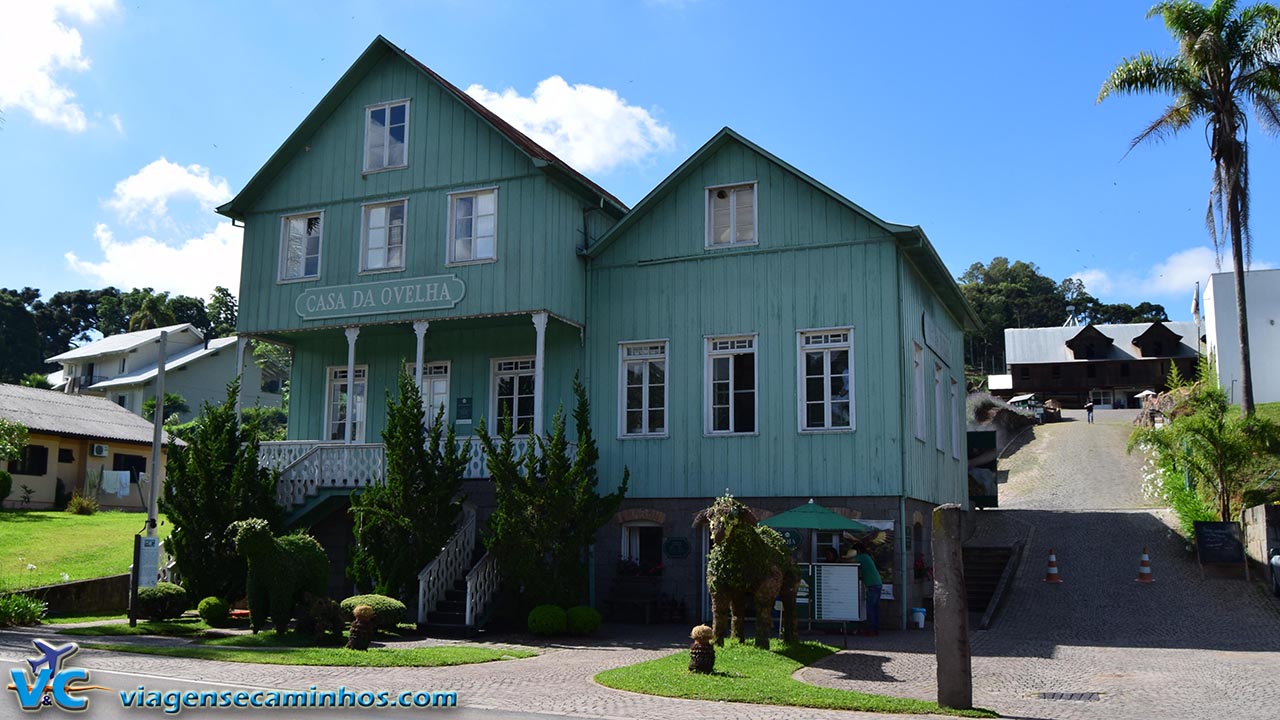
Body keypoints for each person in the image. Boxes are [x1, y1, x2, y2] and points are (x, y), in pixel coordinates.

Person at [849, 542, 882, 636]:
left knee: (870, 608)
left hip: (872, 585)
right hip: (877, 583)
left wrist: (841, 559)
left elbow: (851, 561)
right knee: (875, 608)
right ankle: (876, 629)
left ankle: (872, 629)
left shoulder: (862, 556)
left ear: (858, 550)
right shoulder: (867, 557)